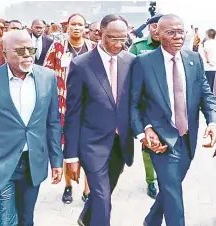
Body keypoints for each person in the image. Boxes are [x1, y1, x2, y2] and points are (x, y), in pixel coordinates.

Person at [0, 30, 63, 226]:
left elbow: (52, 122)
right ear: (5, 53)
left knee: (26, 220)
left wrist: (56, 160)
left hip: (32, 163)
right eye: (20, 50)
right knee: (2, 220)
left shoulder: (47, 77)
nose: (27, 54)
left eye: (30, 49)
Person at [130, 14, 216, 226]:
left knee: (171, 187)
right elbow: (133, 103)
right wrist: (143, 131)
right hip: (160, 139)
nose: (178, 37)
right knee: (173, 192)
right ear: (157, 34)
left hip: (187, 137)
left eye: (181, 31)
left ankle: (151, 221)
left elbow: (206, 95)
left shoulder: (193, 59)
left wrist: (213, 122)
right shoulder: (143, 62)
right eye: (171, 32)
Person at [64, 14, 135, 226]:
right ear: (99, 34)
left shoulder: (131, 62)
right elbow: (73, 113)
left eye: (122, 38)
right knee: (103, 199)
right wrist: (71, 156)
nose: (117, 43)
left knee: (105, 191)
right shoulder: (81, 65)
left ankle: (85, 218)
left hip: (120, 143)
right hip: (91, 144)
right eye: (112, 37)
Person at [44, 13, 96, 205]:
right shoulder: (57, 47)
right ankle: (68, 186)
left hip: (89, 105)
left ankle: (88, 189)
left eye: (80, 25)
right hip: (63, 105)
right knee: (68, 146)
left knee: (89, 147)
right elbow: (47, 73)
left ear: (85, 28)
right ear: (67, 27)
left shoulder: (92, 47)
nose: (76, 27)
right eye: (73, 24)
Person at [129, 14, 163, 199]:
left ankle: (164, 177)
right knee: (149, 145)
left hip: (167, 106)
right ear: (148, 27)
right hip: (145, 103)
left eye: (161, 26)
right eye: (153, 26)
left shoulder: (171, 46)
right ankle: (151, 181)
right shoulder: (139, 47)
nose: (157, 30)